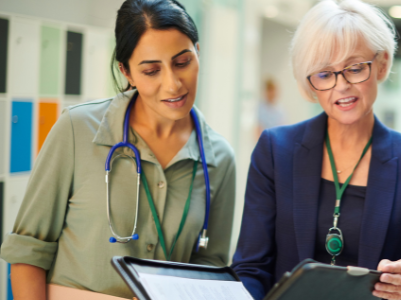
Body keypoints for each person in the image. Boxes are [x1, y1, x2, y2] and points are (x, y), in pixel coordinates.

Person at [0, 0, 237, 298]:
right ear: (127, 72)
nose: (173, 84)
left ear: (198, 53)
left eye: (182, 62)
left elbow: (211, 267)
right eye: (151, 71)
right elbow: (28, 253)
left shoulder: (219, 158)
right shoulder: (77, 129)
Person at [230, 1, 401, 300]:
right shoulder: (276, 150)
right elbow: (251, 268)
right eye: (324, 74)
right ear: (309, 82)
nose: (341, 85)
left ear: (382, 63)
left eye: (355, 68)